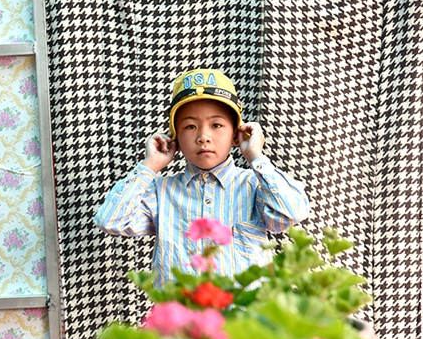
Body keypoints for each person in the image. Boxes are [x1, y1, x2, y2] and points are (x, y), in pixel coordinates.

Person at [94, 68, 310, 287]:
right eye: (190, 126)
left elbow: (292, 212)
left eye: (216, 125)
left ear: (236, 136)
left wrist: (256, 156)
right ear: (175, 138)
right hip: (181, 309)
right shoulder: (161, 191)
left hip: (243, 309)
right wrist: (149, 166)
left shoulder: (254, 185)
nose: (203, 136)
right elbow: (111, 220)